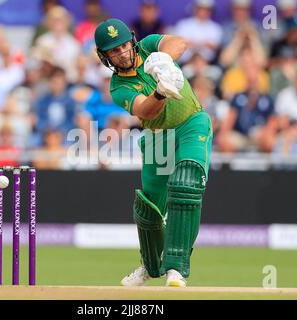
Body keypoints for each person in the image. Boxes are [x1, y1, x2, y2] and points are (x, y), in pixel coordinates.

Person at [94, 18, 212, 287]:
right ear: (106, 57)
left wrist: (163, 62)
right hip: (157, 136)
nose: (122, 53)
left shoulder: (148, 47)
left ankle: (176, 268)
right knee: (149, 208)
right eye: (114, 50)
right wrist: (160, 91)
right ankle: (150, 266)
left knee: (186, 182)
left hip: (191, 123)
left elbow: (179, 42)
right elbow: (146, 111)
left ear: (132, 41)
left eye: (124, 45)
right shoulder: (118, 87)